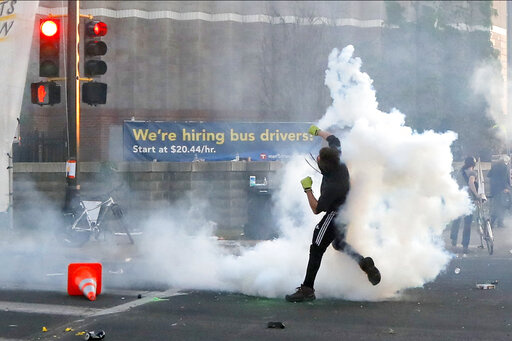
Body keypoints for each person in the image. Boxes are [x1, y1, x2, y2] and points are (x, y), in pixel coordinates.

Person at [285, 125, 381, 303]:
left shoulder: (331, 187)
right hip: (346, 212)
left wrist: (307, 189)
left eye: (319, 158)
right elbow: (334, 139)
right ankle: (363, 262)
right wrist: (318, 132)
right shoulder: (339, 160)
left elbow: (316, 209)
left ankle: (307, 289)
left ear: (322, 163)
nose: (318, 157)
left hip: (334, 215)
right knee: (339, 244)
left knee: (316, 247)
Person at [450, 156, 484, 254]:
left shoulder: (458, 172)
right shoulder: (472, 173)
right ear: (473, 164)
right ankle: (465, 246)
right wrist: (477, 195)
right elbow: (471, 183)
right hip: (467, 200)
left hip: (457, 198)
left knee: (456, 221)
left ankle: (453, 242)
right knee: (467, 224)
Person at [487, 156, 511, 229]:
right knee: (502, 206)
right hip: (501, 190)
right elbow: (504, 178)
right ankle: (496, 223)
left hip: (494, 190)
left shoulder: (494, 166)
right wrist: (505, 188)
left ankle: (495, 222)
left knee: (497, 205)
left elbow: (489, 175)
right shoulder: (505, 167)